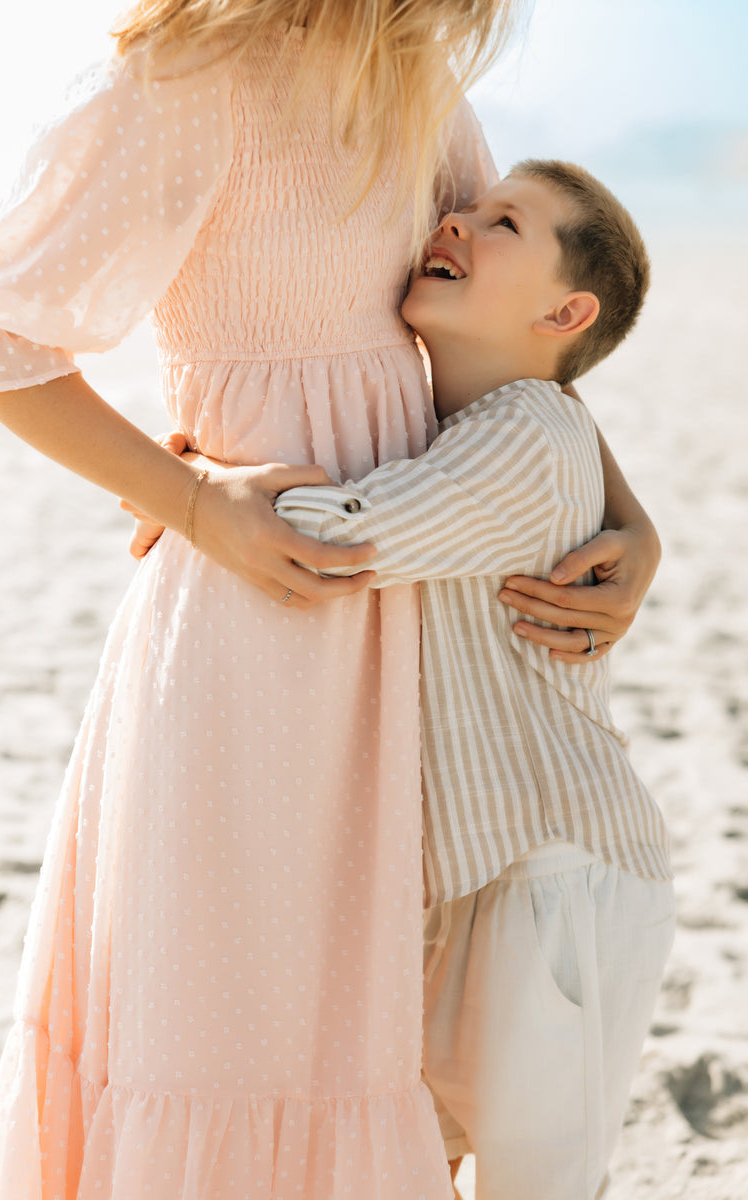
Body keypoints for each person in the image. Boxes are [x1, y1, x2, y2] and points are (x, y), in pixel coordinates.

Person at [0, 0, 660, 1194]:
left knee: (347, 1024)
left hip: (402, 634)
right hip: (251, 618)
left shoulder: (410, 85)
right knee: (226, 1021)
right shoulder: (183, 86)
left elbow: (505, 347)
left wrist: (627, 519)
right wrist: (187, 499)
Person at [272, 160, 675, 1199]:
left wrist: (203, 483)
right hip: (475, 876)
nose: (452, 220)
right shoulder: (488, 430)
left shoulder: (523, 436)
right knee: (417, 1162)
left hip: (554, 873)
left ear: (564, 310)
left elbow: (338, 541)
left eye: (501, 222)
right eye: (467, 207)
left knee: (532, 1184)